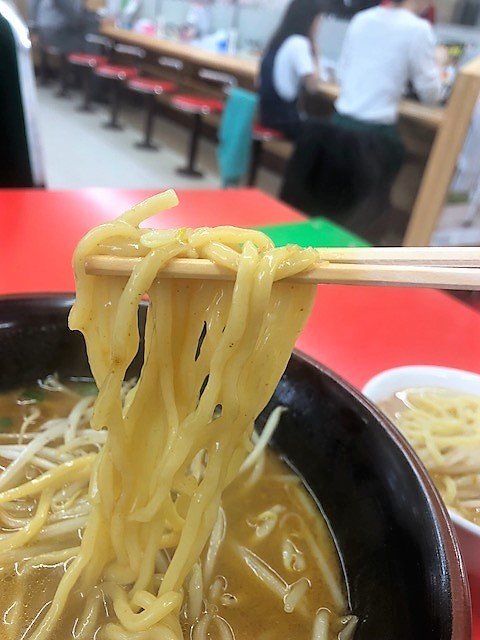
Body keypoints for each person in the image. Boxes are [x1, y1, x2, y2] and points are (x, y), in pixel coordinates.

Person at [258, 0, 326, 141]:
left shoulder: (277, 40)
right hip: (283, 119)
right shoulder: (299, 44)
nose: (319, 27)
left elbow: (257, 81)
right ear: (310, 20)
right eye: (319, 21)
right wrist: (318, 56)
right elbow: (312, 87)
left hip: (266, 115)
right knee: (327, 134)